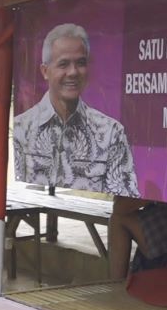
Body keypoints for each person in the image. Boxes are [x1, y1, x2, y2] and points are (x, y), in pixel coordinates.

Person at [12, 23, 138, 196]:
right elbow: (14, 190)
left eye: (80, 63)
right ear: (45, 71)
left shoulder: (111, 133)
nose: (73, 72)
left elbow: (125, 197)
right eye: (63, 64)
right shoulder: (21, 128)